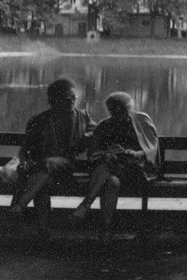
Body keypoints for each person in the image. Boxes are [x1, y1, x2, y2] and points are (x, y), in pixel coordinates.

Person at [9, 78, 96, 237]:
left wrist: (88, 135)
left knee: (47, 164)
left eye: (73, 98)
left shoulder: (82, 115)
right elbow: (26, 148)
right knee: (42, 182)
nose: (71, 101)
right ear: (53, 100)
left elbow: (97, 131)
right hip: (43, 171)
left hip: (66, 167)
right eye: (66, 98)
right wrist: (25, 161)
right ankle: (43, 230)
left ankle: (20, 205)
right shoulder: (39, 120)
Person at [71, 92, 160, 243]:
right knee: (112, 182)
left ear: (128, 109)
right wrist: (106, 154)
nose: (118, 115)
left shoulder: (141, 120)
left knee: (109, 167)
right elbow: (93, 152)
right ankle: (106, 229)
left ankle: (86, 205)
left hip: (136, 170)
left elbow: (152, 147)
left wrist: (136, 153)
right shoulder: (105, 125)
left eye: (122, 112)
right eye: (114, 112)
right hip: (113, 171)